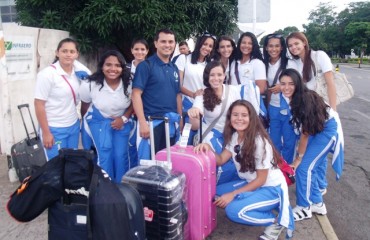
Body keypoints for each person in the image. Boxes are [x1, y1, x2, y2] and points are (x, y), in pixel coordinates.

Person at [194, 100, 294, 240]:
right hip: (251, 182)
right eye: (235, 115)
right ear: (230, 118)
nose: (239, 118)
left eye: (244, 115)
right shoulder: (235, 136)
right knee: (214, 192)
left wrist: (233, 194)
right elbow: (221, 159)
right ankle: (253, 202)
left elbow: (261, 180)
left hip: (271, 188)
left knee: (234, 211)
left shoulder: (260, 142)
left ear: (251, 118)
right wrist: (209, 149)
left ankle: (277, 221)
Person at [279, 68, 344, 221]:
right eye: (283, 84)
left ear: (298, 85)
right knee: (311, 169)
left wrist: (298, 158)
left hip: (327, 130)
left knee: (304, 168)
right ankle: (317, 203)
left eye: (291, 84)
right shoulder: (292, 98)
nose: (286, 87)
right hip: (317, 129)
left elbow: (305, 133)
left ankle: (304, 207)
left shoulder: (304, 99)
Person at [188, 61, 259, 185]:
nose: (216, 78)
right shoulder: (202, 95)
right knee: (218, 164)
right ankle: (211, 187)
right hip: (211, 135)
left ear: (224, 76)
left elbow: (240, 110)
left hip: (231, 133)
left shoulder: (233, 90)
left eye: (219, 75)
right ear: (207, 77)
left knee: (237, 162)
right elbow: (195, 124)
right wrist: (194, 113)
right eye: (212, 75)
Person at [286, 31, 337, 193]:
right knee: (312, 147)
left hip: (323, 110)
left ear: (304, 42)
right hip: (308, 111)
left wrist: (333, 110)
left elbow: (330, 84)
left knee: (318, 149)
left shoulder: (319, 56)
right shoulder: (295, 64)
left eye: (296, 43)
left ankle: (320, 185)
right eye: (290, 45)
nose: (294, 47)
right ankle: (318, 184)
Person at [80, 50, 133, 183]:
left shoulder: (130, 81)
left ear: (122, 67)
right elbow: (85, 106)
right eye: (108, 65)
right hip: (98, 121)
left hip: (122, 121)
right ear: (102, 66)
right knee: (105, 155)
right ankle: (105, 188)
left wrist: (124, 118)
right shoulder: (89, 83)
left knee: (120, 155)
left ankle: (122, 188)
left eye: (117, 65)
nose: (113, 69)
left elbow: (134, 103)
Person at [34, 38, 90, 160]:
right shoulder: (47, 74)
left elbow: (90, 82)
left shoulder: (78, 74)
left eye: (72, 51)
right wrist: (46, 133)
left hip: (73, 126)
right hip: (54, 128)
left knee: (71, 163)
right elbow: (39, 104)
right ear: (57, 52)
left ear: (77, 54)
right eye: (64, 51)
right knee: (56, 166)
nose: (68, 54)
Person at [132, 28, 182, 158]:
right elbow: (136, 94)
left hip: (171, 125)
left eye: (171, 42)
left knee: (168, 166)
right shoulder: (146, 66)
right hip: (151, 123)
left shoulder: (174, 68)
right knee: (148, 167)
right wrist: (142, 123)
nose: (167, 45)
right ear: (155, 43)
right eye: (163, 41)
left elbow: (177, 95)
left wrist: (180, 121)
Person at [262, 33, 298, 164]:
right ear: (266, 48)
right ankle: (276, 167)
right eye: (270, 46)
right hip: (272, 107)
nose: (273, 49)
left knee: (289, 142)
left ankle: (287, 169)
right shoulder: (263, 64)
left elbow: (297, 83)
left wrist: (281, 87)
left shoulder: (290, 64)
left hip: (289, 108)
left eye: (277, 46)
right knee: (274, 141)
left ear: (282, 48)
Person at [175, 32, 217, 114]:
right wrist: (193, 94)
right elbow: (177, 85)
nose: (207, 48)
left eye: (210, 46)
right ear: (199, 43)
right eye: (205, 44)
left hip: (204, 106)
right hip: (186, 104)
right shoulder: (184, 58)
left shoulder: (210, 64)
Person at [126, 39, 149, 168]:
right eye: (136, 49)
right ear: (132, 50)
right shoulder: (125, 68)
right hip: (127, 111)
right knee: (130, 146)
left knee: (142, 146)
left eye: (142, 49)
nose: (139, 52)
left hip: (143, 111)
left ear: (147, 51)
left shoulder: (151, 67)